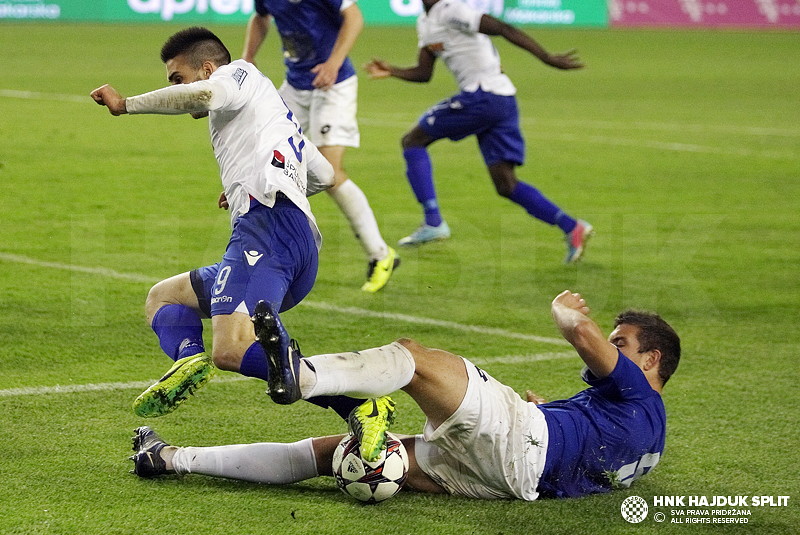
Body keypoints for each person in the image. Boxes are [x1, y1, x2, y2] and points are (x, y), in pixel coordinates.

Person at [130, 290, 681, 501]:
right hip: (512, 482)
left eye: (623, 344)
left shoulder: (639, 396)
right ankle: (169, 459)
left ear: (651, 360)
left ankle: (304, 378)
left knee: (412, 358)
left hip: (520, 440)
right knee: (336, 456)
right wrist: (546, 414)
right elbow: (592, 458)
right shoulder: (648, 439)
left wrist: (568, 313)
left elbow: (580, 334)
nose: (611, 349)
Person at [90, 27, 361, 420]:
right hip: (291, 240)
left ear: (207, 68)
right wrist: (246, 184)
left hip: (267, 230)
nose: (177, 90)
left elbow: (206, 94)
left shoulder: (239, 75)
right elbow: (325, 176)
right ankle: (188, 360)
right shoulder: (276, 114)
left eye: (177, 79)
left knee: (231, 349)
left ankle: (356, 404)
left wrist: (125, 104)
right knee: (163, 297)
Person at [364, 0, 593, 263]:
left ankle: (433, 221)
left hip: (484, 96)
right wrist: (392, 70)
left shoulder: (452, 10)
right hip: (500, 100)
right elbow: (424, 73)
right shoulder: (426, 23)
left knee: (413, 140)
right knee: (506, 184)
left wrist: (547, 57)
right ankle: (572, 227)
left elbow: (502, 27)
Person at [243, 0, 400, 292]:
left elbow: (354, 17)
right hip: (295, 86)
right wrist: (248, 56)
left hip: (333, 85)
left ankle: (381, 254)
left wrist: (334, 62)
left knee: (330, 173)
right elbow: (260, 17)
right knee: (263, 160)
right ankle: (264, 257)